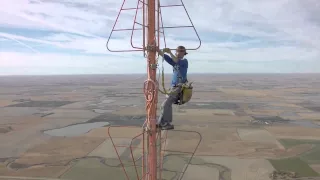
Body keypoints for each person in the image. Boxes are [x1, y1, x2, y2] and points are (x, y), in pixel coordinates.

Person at [157, 46, 189, 130]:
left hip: (179, 87)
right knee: (164, 105)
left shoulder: (184, 62)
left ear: (184, 54)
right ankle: (161, 123)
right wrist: (157, 50)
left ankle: (166, 123)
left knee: (166, 104)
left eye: (182, 51)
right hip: (173, 87)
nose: (180, 53)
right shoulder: (174, 62)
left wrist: (170, 52)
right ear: (176, 52)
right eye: (178, 51)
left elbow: (176, 60)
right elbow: (165, 56)